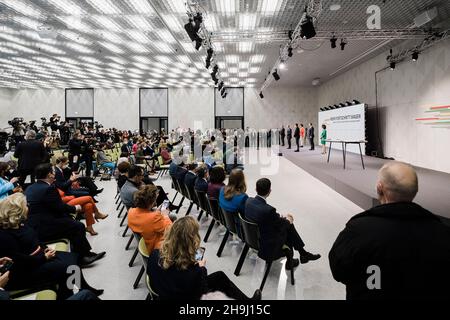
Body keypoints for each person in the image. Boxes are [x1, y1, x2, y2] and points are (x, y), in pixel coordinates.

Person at [329, 162, 450, 300]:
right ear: (415, 190)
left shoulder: (358, 229)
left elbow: (339, 270)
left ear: (380, 188)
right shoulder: (443, 232)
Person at [0, 194, 103, 299]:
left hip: (37, 258)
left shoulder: (21, 223)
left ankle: (75, 291)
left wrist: (45, 248)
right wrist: (44, 257)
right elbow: (19, 261)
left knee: (73, 258)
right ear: (17, 211)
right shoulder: (4, 235)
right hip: (24, 272)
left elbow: (36, 239)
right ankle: (70, 294)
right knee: (67, 268)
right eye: (26, 206)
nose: (28, 208)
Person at [147, 216, 261, 300]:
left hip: (166, 293)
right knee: (219, 282)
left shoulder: (155, 254)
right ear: (192, 240)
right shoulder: (194, 273)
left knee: (220, 277)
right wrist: (201, 269)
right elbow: (204, 293)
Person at [24, 163, 105, 266]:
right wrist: (74, 208)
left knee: (72, 223)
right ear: (50, 175)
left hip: (36, 225)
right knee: (78, 226)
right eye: (53, 171)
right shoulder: (48, 189)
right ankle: (83, 257)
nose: (54, 173)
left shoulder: (30, 188)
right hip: (45, 228)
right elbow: (59, 207)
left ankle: (85, 254)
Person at [246, 178, 321, 269]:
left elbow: (267, 218)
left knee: (286, 225)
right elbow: (279, 224)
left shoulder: (249, 201)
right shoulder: (269, 210)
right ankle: (298, 257)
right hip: (268, 246)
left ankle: (303, 254)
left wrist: (280, 218)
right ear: (269, 191)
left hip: (252, 239)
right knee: (288, 227)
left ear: (256, 189)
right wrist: (288, 220)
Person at [128, 185, 174, 253]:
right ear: (152, 201)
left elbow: (146, 219)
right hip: (159, 248)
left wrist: (156, 212)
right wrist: (165, 214)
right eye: (156, 198)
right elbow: (171, 230)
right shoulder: (154, 217)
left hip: (147, 243)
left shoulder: (131, 211)